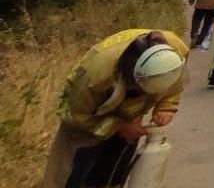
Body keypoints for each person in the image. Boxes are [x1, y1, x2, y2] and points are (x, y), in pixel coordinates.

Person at [41, 29, 187, 188]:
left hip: (130, 115)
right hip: (88, 116)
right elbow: (76, 116)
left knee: (113, 171)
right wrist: (119, 126)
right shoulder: (95, 75)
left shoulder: (174, 51)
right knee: (72, 172)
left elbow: (175, 81)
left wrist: (167, 106)